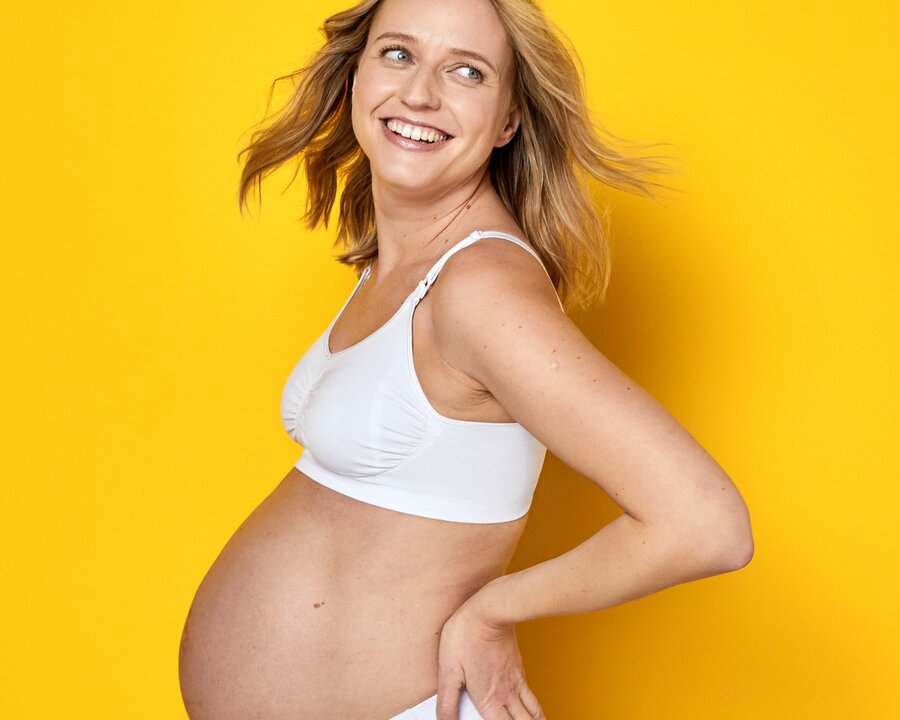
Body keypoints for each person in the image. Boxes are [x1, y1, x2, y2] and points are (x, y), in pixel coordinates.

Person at [178, 0, 754, 718]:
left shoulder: (479, 288)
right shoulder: (402, 264)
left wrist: (493, 611)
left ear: (509, 118)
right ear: (356, 74)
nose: (420, 93)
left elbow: (706, 524)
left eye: (466, 71)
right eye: (397, 54)